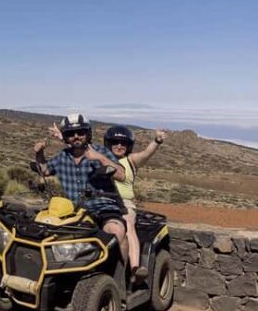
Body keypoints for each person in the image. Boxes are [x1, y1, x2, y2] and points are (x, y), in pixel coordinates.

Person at [34, 113, 129, 263]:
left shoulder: (101, 152)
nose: (76, 136)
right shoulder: (62, 156)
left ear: (88, 133)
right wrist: (39, 153)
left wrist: (99, 158)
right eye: (71, 133)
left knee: (117, 231)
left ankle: (124, 276)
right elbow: (45, 170)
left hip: (103, 207)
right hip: (73, 210)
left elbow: (121, 175)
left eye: (81, 132)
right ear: (65, 137)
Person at [103, 125, 168, 283]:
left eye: (123, 143)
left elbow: (146, 154)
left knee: (128, 225)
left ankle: (134, 269)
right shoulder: (101, 159)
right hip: (102, 202)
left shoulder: (130, 161)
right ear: (109, 143)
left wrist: (156, 141)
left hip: (124, 204)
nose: (119, 146)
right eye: (115, 142)